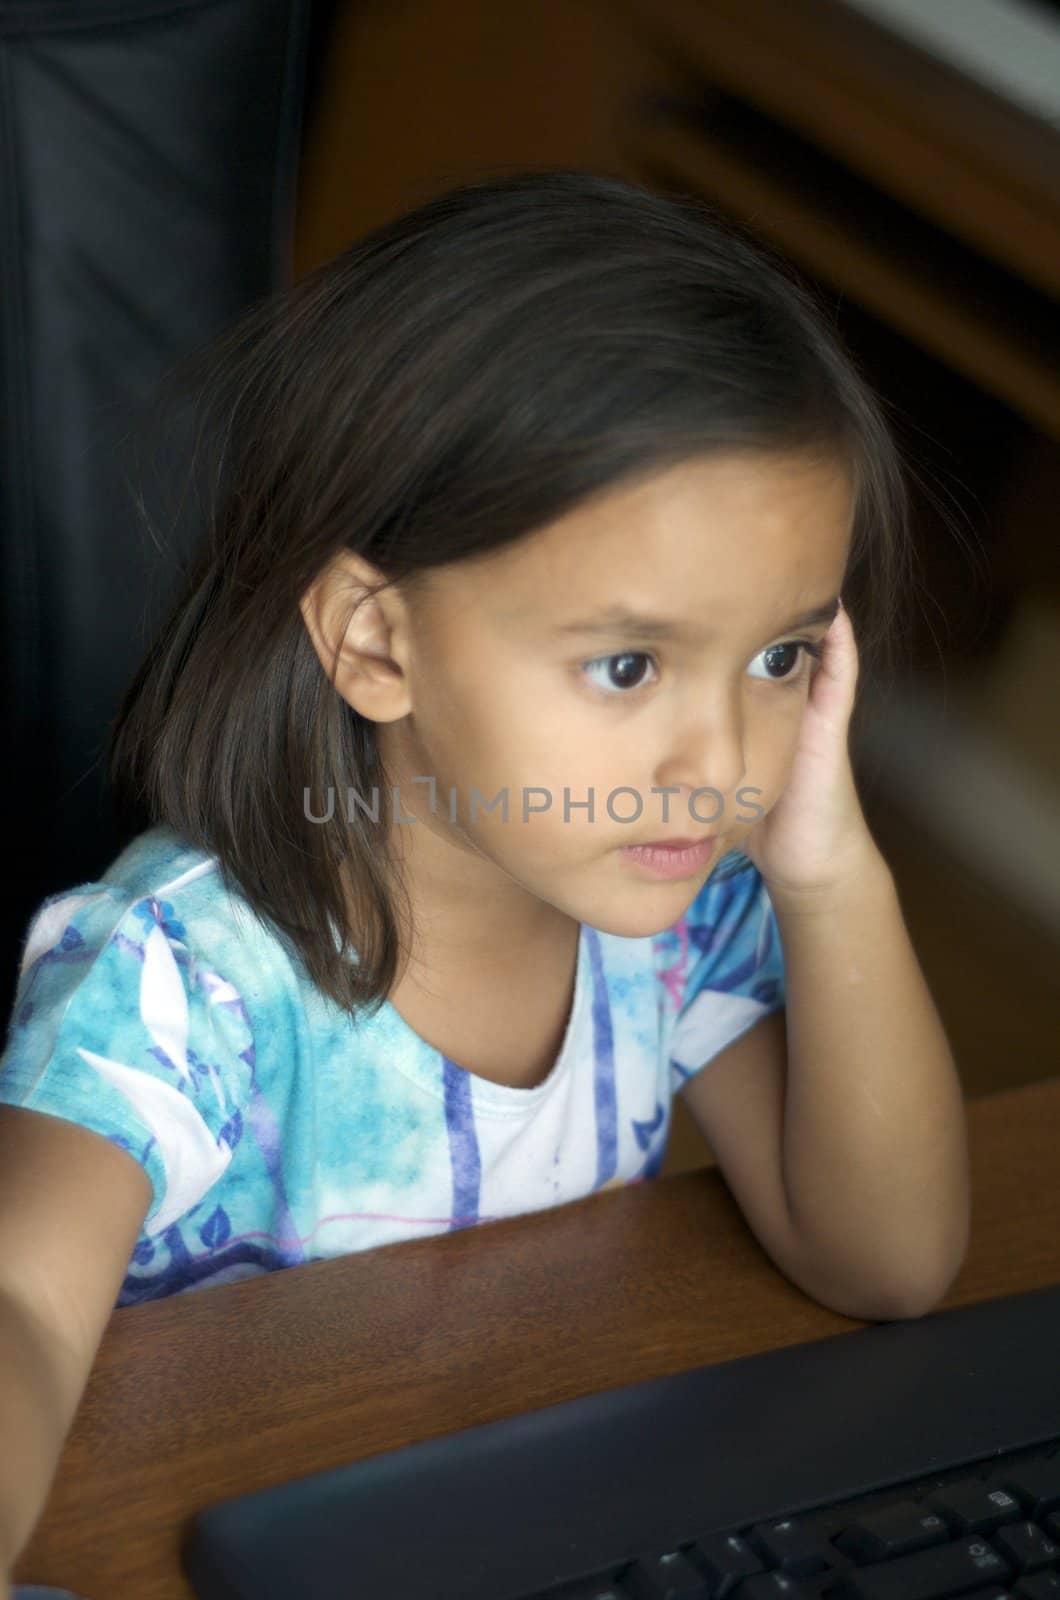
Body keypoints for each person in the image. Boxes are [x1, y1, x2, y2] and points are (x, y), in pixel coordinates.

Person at [0, 170, 970, 1585]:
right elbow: (22, 1297)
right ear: (377, 644)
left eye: (781, 659)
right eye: (628, 665)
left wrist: (829, 874)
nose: (715, 761)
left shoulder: (678, 919)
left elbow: (885, 1262)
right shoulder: (181, 981)